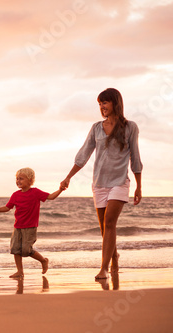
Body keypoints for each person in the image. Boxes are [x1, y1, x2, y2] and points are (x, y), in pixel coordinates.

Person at [60, 88, 143, 280]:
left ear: (115, 102)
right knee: (105, 229)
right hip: (99, 184)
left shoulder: (130, 127)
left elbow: (136, 157)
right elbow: (83, 154)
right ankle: (114, 257)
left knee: (110, 222)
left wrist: (139, 186)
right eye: (99, 104)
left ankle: (104, 268)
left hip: (120, 182)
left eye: (104, 102)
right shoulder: (96, 127)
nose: (102, 107)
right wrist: (68, 177)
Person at [0, 167, 64, 278]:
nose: (18, 181)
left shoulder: (35, 192)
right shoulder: (15, 195)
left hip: (30, 227)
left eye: (21, 179)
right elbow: (7, 208)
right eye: (17, 179)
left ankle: (43, 261)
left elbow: (50, 197)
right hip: (18, 227)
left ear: (30, 180)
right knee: (15, 249)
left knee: (26, 250)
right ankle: (20, 271)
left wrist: (60, 190)